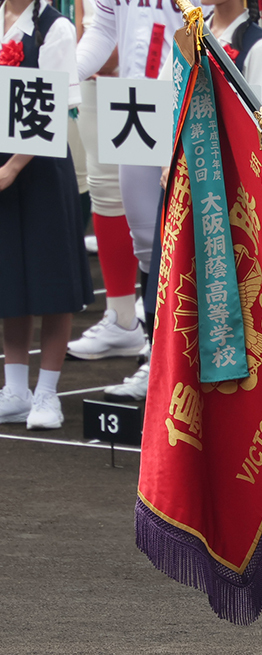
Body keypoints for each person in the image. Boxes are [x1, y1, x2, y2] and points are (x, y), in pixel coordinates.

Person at [74, 0, 185, 400]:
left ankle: (187, 362)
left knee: (186, 243)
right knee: (147, 245)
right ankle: (156, 356)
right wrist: (66, 74)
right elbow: (103, 30)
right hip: (133, 104)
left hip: (185, 104)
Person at [0, 0, 93, 429]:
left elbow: (54, 106)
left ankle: (47, 393)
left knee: (52, 282)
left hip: (40, 162)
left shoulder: (54, 28)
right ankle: (15, 389)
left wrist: (13, 167)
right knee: (10, 280)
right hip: (2, 164)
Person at [68, 0, 145, 363]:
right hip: (125, 92)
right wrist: (66, 73)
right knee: (114, 199)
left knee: (182, 211)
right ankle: (125, 318)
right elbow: (101, 26)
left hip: (176, 90)